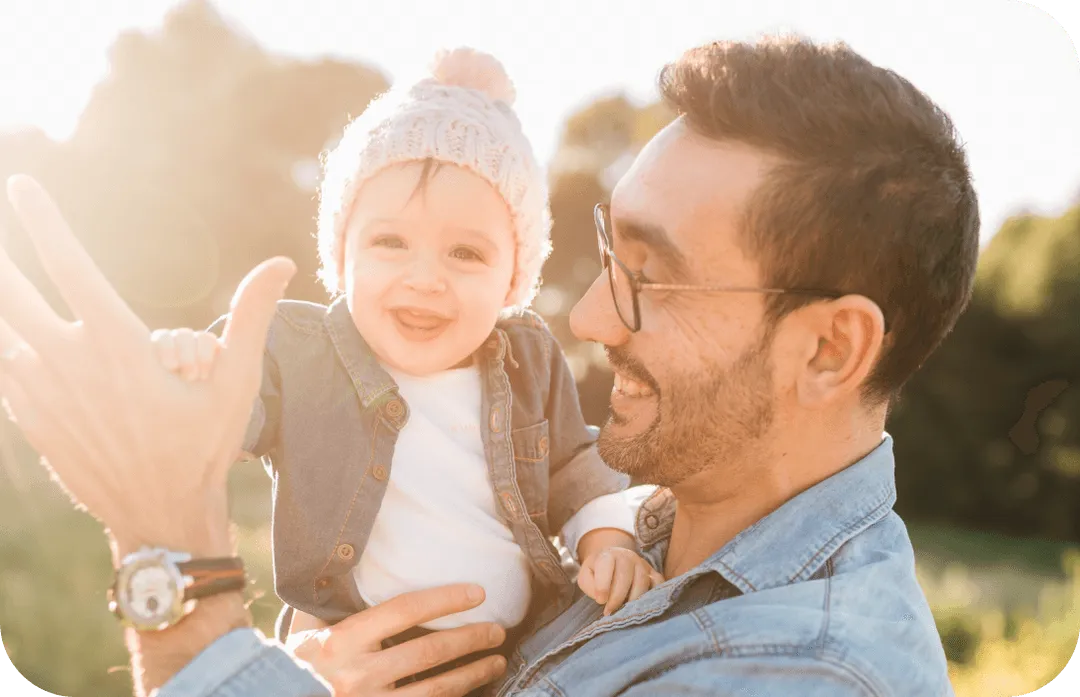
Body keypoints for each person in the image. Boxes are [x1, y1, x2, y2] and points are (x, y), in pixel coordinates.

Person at [0, 33, 979, 697]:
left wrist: (172, 556)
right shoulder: (660, 514)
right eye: (607, 255)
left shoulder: (804, 673)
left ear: (828, 348)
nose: (590, 316)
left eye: (652, 277)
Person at [144, 46, 654, 683]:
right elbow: (222, 417)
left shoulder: (528, 358)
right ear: (343, 253)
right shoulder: (299, 351)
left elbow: (574, 466)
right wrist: (191, 372)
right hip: (356, 658)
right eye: (390, 242)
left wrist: (606, 538)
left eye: (465, 253)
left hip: (511, 658)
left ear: (511, 280)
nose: (424, 279)